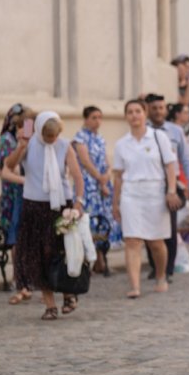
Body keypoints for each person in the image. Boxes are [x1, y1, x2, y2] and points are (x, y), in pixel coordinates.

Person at [10, 112, 86, 320]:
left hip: (61, 206)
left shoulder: (64, 145)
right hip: (35, 207)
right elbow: (8, 166)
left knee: (63, 252)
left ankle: (69, 294)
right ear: (40, 131)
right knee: (39, 256)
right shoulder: (30, 143)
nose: (52, 140)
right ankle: (50, 305)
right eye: (48, 137)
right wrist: (20, 147)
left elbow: (77, 176)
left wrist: (79, 202)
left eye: (55, 136)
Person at [112, 100, 179, 298]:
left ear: (145, 113)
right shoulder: (121, 144)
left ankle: (161, 275)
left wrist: (172, 190)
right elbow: (118, 175)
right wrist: (115, 203)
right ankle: (134, 285)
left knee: (156, 242)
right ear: (126, 116)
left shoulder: (159, 137)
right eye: (130, 112)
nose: (134, 115)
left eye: (138, 111)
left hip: (154, 191)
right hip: (131, 193)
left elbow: (170, 166)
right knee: (132, 240)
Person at [145, 93, 189, 282]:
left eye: (161, 108)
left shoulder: (175, 131)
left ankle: (167, 269)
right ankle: (155, 266)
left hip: (171, 183)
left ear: (166, 109)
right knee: (149, 227)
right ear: (148, 110)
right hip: (149, 183)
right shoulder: (142, 131)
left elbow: (187, 159)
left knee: (169, 227)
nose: (158, 112)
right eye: (154, 108)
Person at [73, 106, 121, 276]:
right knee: (89, 222)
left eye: (100, 117)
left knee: (104, 222)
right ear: (85, 119)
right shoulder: (80, 138)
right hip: (88, 186)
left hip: (103, 185)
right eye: (94, 117)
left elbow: (107, 161)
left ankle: (101, 259)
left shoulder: (100, 138)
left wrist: (107, 175)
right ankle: (90, 261)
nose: (97, 121)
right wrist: (99, 178)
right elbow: (85, 162)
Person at [0, 104, 31, 302]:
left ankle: (27, 279)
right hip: (13, 194)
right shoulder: (6, 140)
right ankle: (20, 279)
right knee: (16, 238)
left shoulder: (28, 137)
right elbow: (7, 167)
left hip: (29, 193)